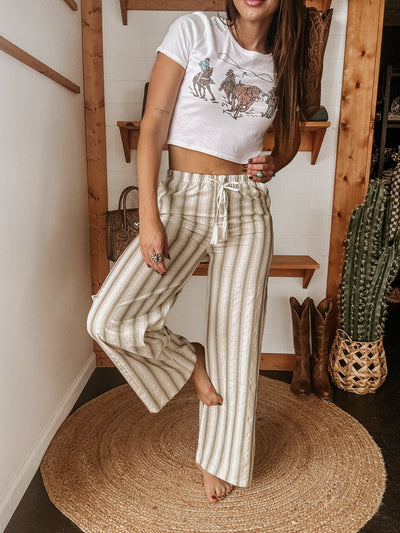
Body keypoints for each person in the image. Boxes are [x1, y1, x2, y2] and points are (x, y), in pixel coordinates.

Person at [87, 0, 305, 504]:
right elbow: (154, 122)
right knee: (109, 317)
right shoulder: (194, 31)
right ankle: (190, 360)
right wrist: (149, 216)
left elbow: (292, 134)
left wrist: (276, 162)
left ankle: (219, 458)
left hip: (246, 207)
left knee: (238, 339)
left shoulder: (285, 58)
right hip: (183, 199)